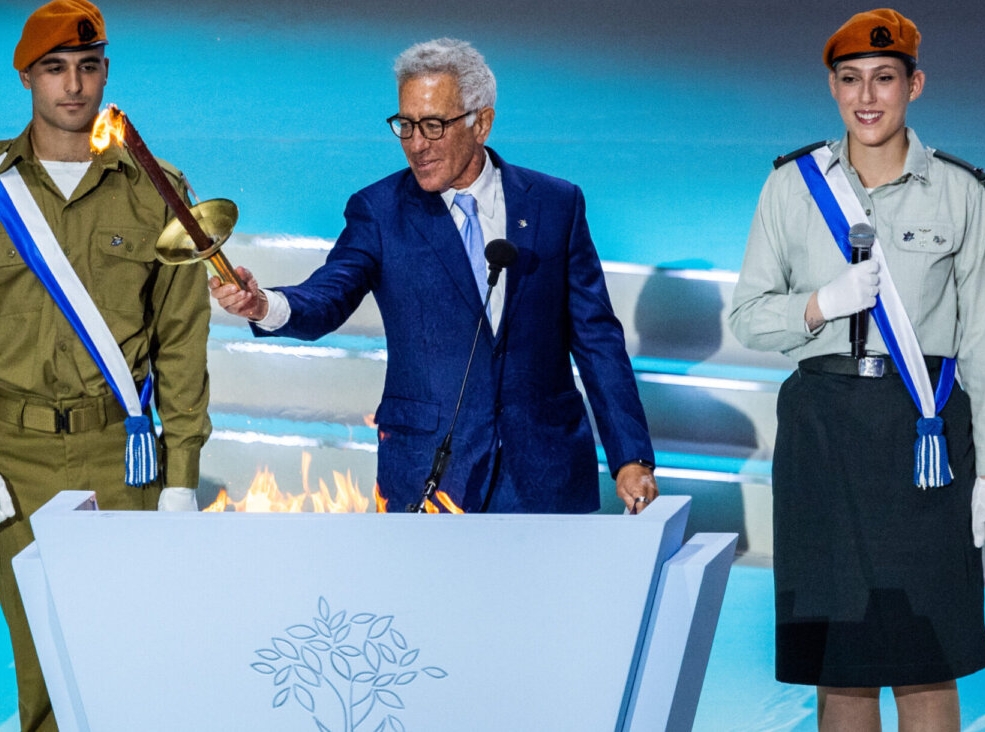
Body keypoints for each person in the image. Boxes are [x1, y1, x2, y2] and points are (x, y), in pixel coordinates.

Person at [0, 1, 211, 729]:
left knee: (134, 661)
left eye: (87, 67)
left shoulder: (157, 187)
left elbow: (180, 339)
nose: (73, 86)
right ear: (27, 77)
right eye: (55, 69)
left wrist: (181, 479)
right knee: (45, 670)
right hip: (16, 460)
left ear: (105, 72)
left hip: (126, 458)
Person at [212, 38, 657, 514]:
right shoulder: (380, 211)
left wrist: (630, 457)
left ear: (481, 123)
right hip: (429, 475)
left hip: (545, 473)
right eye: (405, 125)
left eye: (433, 126)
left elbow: (596, 339)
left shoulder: (555, 204)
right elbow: (329, 295)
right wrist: (264, 305)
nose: (416, 144)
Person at [729, 9, 985, 731]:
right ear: (832, 87)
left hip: (923, 439)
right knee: (840, 665)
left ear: (913, 85)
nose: (867, 97)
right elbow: (747, 317)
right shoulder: (793, 188)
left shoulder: (960, 191)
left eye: (884, 79)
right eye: (851, 79)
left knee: (927, 661)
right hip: (824, 434)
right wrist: (820, 304)